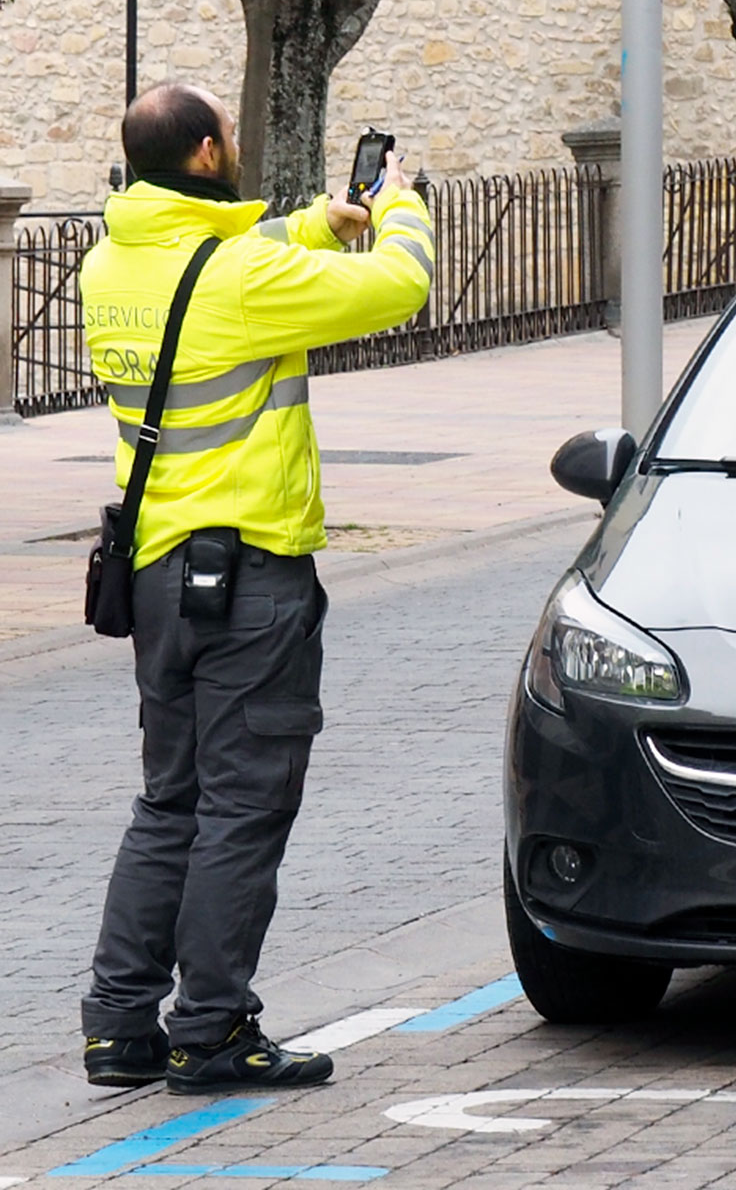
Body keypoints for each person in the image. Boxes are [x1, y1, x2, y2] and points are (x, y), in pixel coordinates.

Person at [77, 83, 434, 1094]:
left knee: (171, 796)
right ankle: (212, 1025)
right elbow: (398, 287)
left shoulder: (111, 261)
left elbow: (231, 257)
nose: (238, 142)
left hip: (152, 569)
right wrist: (398, 203)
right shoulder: (240, 275)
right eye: (228, 135)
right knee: (243, 803)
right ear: (200, 156)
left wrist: (320, 221)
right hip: (248, 575)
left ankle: (119, 1022)